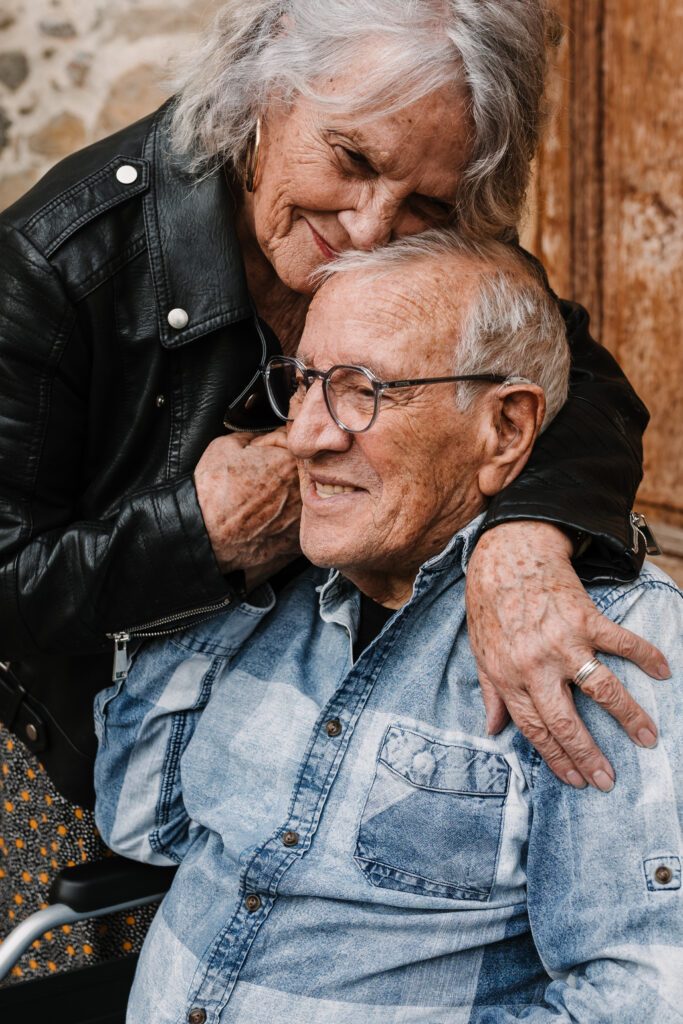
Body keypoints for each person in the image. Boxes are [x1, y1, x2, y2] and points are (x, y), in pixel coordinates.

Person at [0, 0, 666, 981]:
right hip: (67, 748)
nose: (369, 234)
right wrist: (196, 535)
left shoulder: (420, 225)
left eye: (426, 205)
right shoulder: (55, 265)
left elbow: (571, 383)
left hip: (316, 763)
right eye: (350, 161)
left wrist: (523, 534)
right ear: (263, 88)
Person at [94, 235, 683, 1023]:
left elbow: (641, 993)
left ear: (503, 431)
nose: (305, 436)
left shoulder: (596, 641)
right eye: (303, 384)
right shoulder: (278, 584)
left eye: (360, 390)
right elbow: (140, 820)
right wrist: (214, 564)